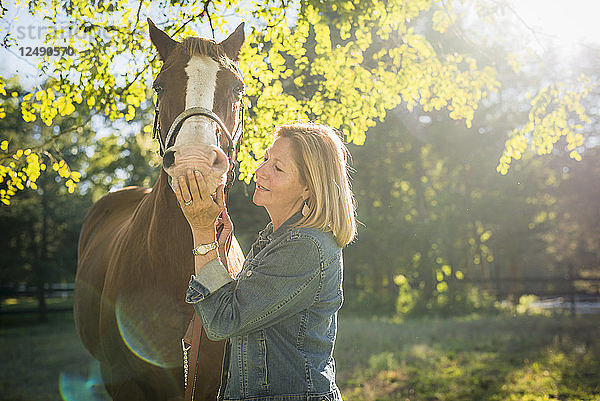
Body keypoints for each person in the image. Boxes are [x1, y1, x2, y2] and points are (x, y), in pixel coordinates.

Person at [173, 122, 357, 401]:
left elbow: (223, 321)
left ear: (308, 188)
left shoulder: (305, 247)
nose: (260, 171)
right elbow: (238, 304)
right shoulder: (275, 238)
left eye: (278, 168)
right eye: (265, 158)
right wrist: (218, 247)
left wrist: (201, 232)